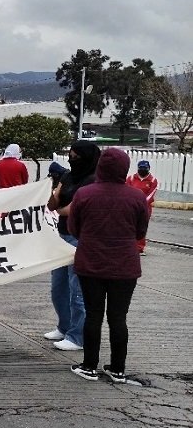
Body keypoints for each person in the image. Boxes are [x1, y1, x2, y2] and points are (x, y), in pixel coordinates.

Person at [68, 148, 149, 383]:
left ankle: (89, 366)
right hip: (125, 265)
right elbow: (140, 231)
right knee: (118, 317)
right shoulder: (137, 197)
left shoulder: (84, 194)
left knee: (93, 314)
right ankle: (117, 368)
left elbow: (74, 228)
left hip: (91, 262)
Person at [45, 140, 101, 351]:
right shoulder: (68, 177)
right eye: (70, 156)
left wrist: (61, 206)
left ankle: (78, 336)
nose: (72, 160)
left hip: (80, 239)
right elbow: (52, 204)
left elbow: (72, 209)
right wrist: (55, 189)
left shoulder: (93, 180)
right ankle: (65, 326)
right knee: (58, 287)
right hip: (62, 236)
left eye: (76, 156)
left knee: (77, 290)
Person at [126, 160, 158, 254]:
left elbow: (151, 195)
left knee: (142, 227)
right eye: (141, 168)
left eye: (145, 168)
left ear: (148, 169)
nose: (143, 170)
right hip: (132, 206)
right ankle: (129, 246)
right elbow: (127, 191)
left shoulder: (153, 180)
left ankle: (139, 248)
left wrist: (142, 204)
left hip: (145, 208)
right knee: (130, 226)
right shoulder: (131, 178)